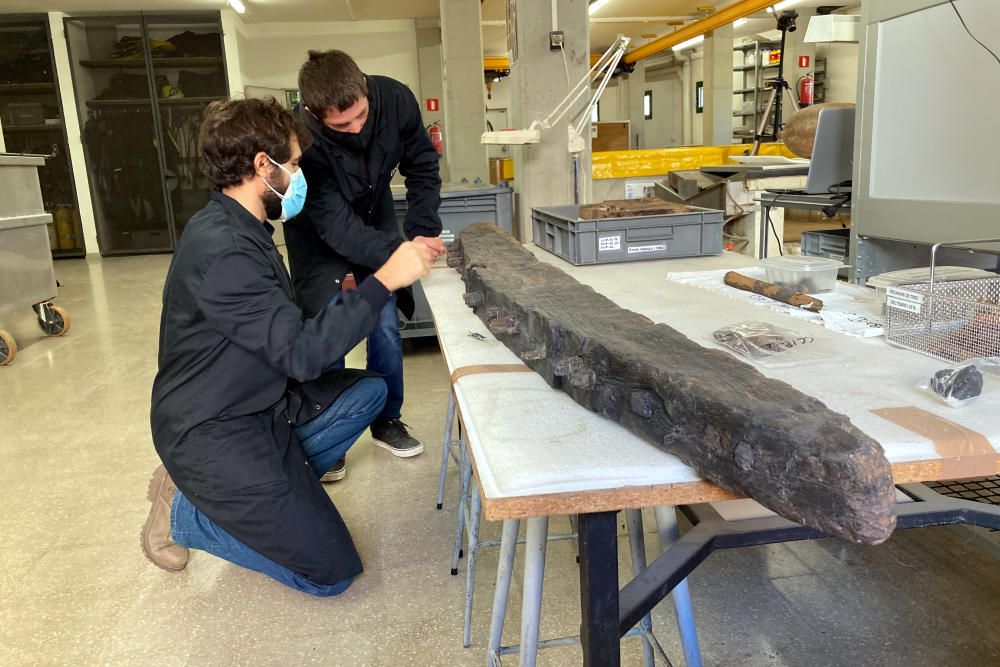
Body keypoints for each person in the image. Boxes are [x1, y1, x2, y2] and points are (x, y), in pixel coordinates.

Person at [141, 98, 432, 595]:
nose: (299, 175)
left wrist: (347, 303)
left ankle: (270, 500)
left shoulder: (238, 225)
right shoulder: (228, 250)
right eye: (293, 164)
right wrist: (383, 281)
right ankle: (186, 511)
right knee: (331, 574)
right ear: (262, 165)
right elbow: (301, 354)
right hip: (215, 425)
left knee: (370, 392)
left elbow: (281, 332)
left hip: (261, 398)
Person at [283, 50, 446, 474]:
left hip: (375, 214)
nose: (356, 129)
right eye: (342, 125)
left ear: (365, 90)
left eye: (360, 115)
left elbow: (423, 166)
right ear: (314, 114)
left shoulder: (394, 99)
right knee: (327, 333)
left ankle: (386, 420)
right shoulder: (300, 134)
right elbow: (334, 226)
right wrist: (399, 257)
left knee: (385, 325)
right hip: (317, 234)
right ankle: (329, 431)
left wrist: (423, 228)